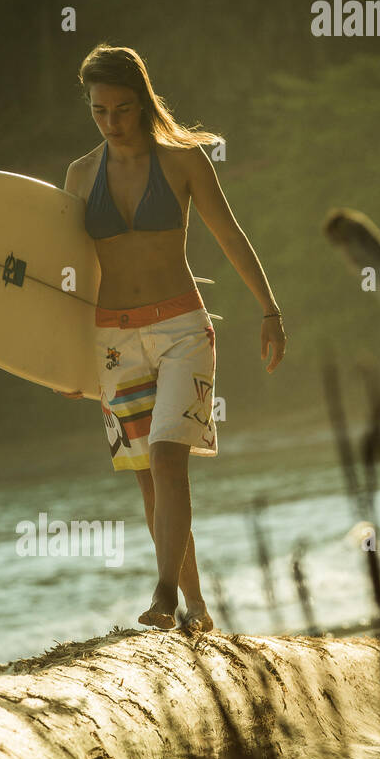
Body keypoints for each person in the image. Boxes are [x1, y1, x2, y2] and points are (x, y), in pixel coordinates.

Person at [59, 44, 286, 631]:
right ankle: (197, 607)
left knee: (167, 459)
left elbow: (230, 235)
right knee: (149, 478)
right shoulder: (81, 176)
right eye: (100, 112)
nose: (113, 123)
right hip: (113, 338)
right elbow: (69, 275)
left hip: (183, 327)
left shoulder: (184, 162)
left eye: (124, 109)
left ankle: (162, 596)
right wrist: (60, 360)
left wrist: (269, 310)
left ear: (144, 100)